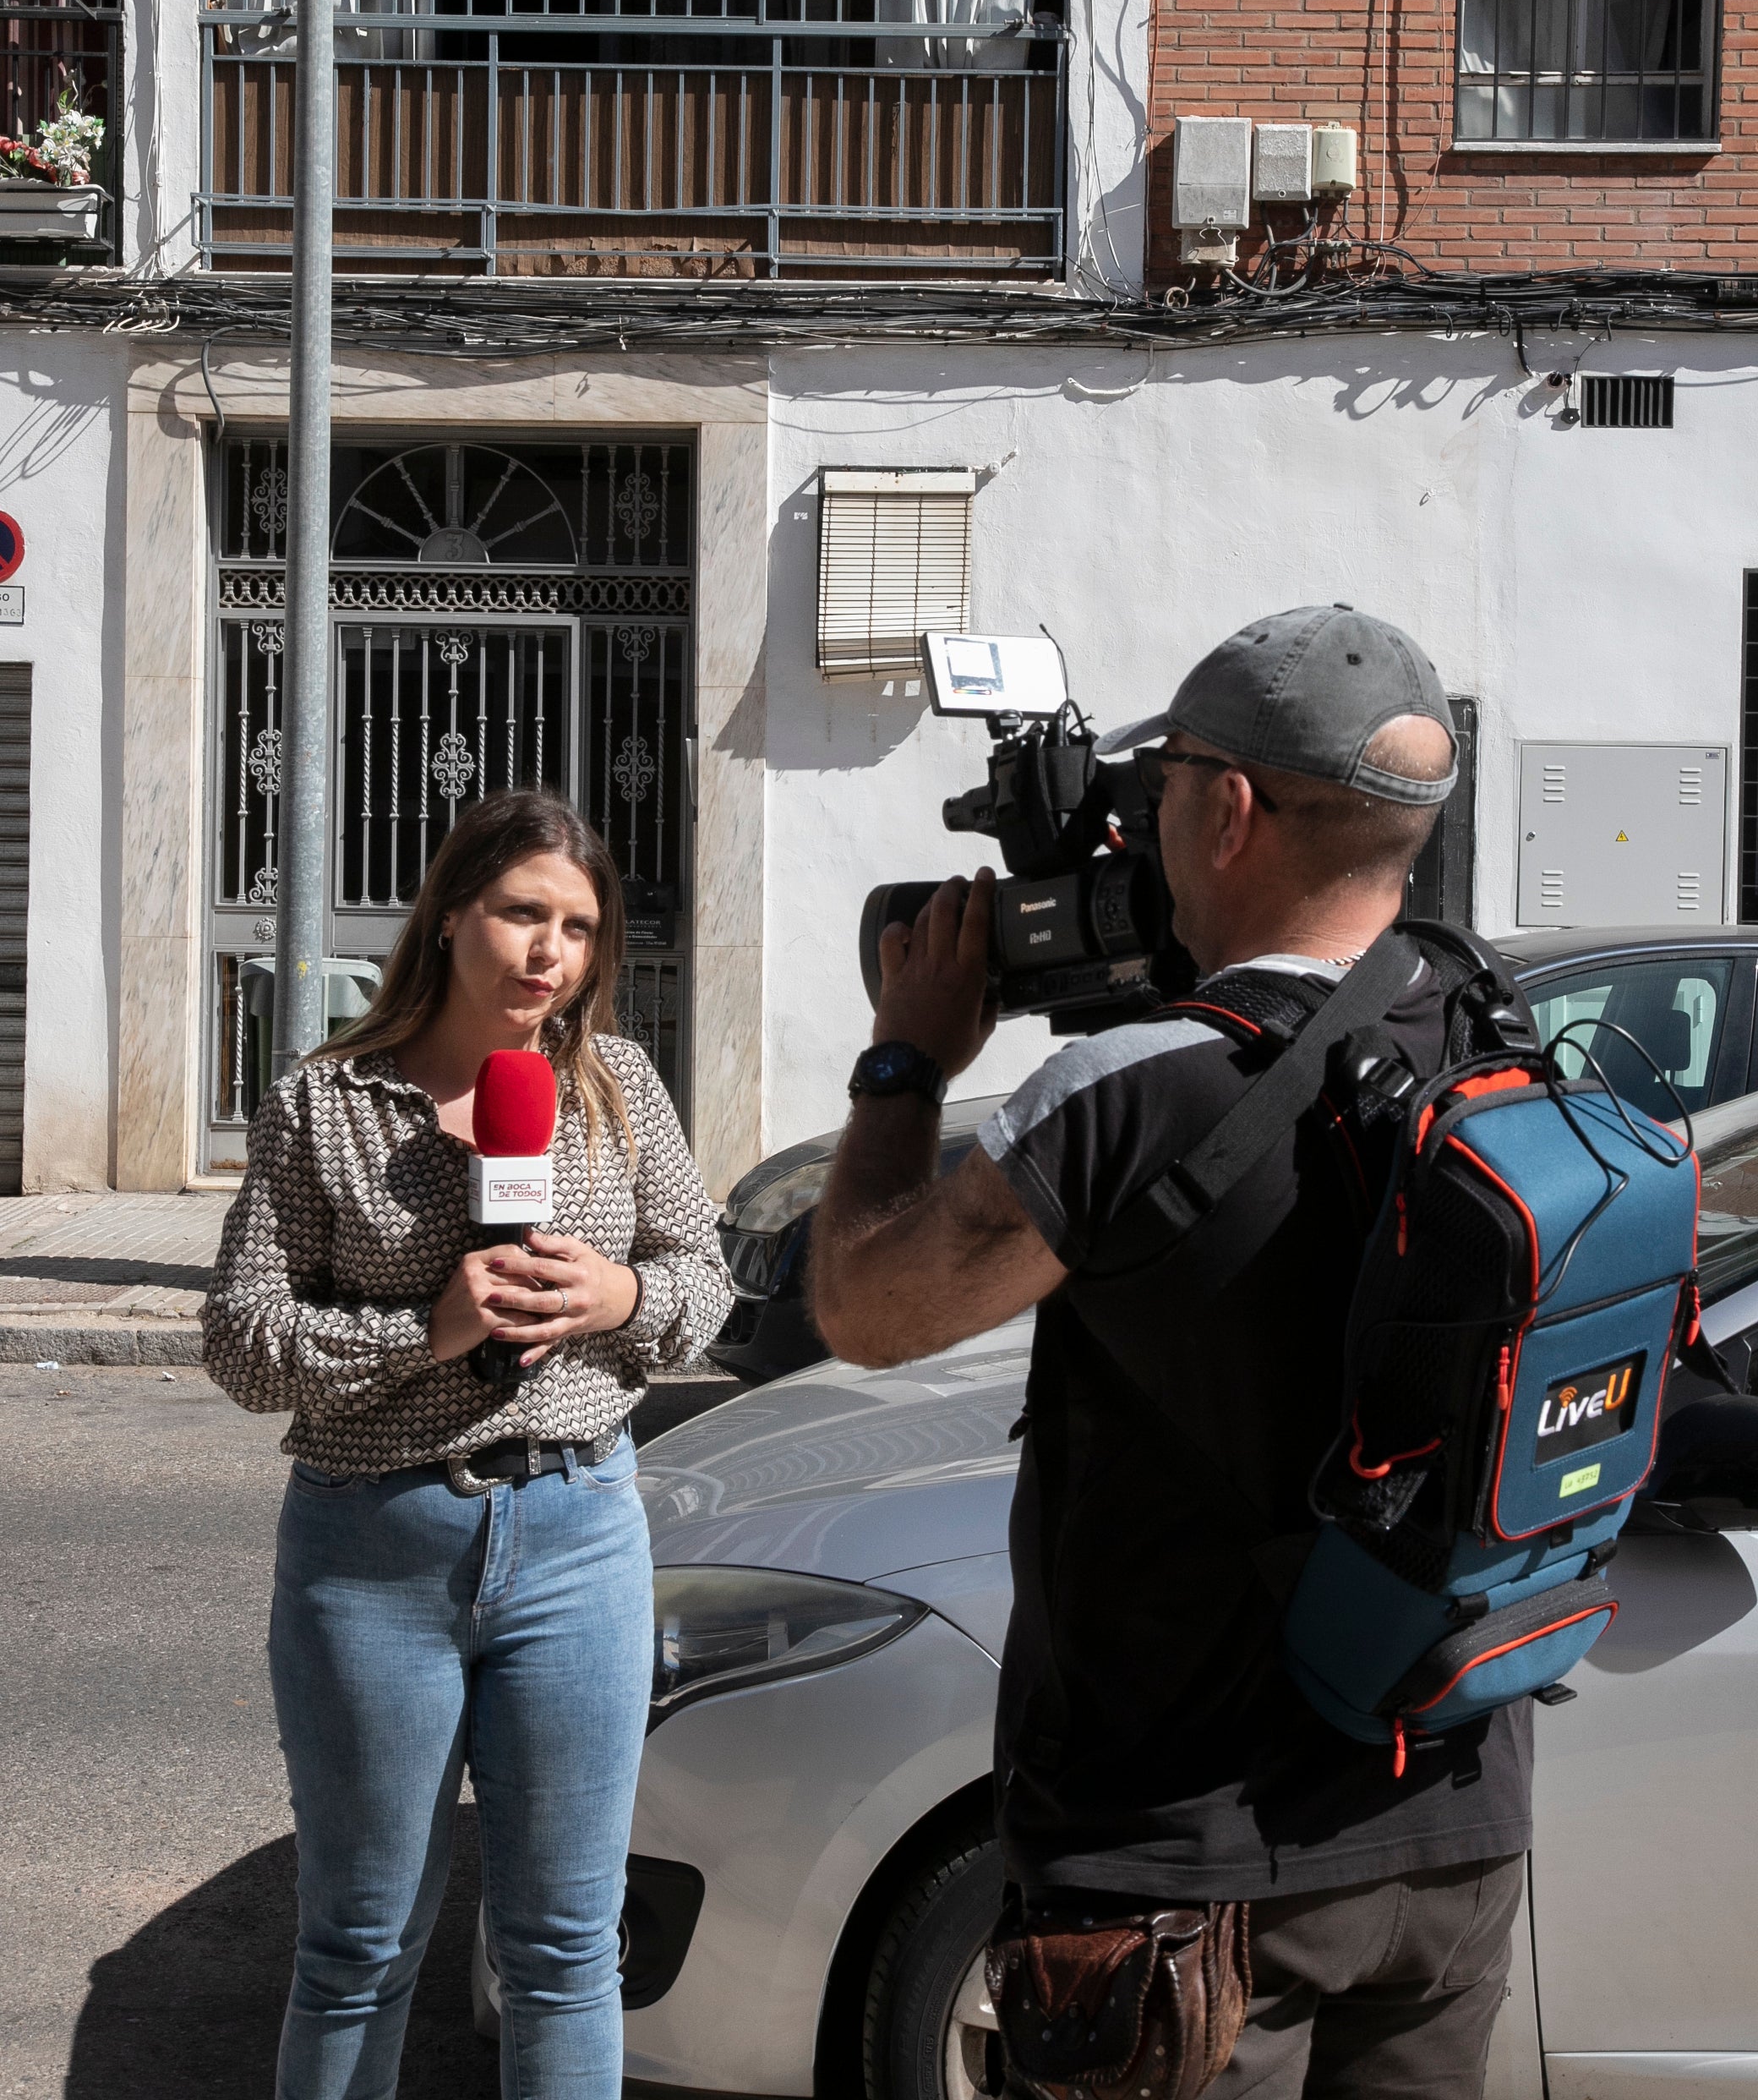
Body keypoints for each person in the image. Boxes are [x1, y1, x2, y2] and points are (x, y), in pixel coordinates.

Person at [811, 604, 1528, 2100]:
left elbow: (867, 1310)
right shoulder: (1491, 1035)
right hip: (1448, 1826)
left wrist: (903, 1061)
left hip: (1184, 1864)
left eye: (1171, 778)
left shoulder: (1127, 1096)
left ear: (1232, 805)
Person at [203, 790, 733, 2100]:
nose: (549, 951)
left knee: (564, 1947)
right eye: (520, 913)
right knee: (360, 1943)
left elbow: (705, 1281)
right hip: (371, 1549)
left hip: (576, 1537)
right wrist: (425, 1329)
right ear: (449, 918)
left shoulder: (619, 1091)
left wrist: (619, 1300)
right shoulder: (324, 1106)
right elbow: (241, 1341)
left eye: (577, 926)